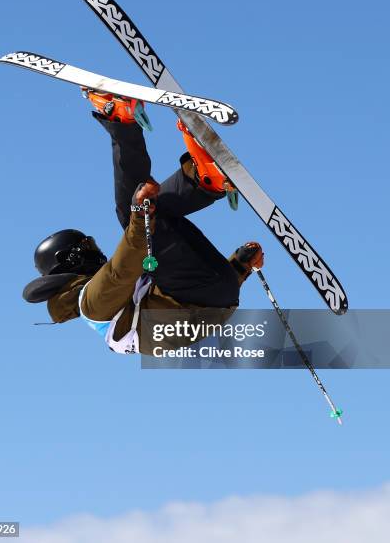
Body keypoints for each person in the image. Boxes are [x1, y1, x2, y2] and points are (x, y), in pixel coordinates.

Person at [23, 93, 264, 355]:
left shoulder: (116, 306)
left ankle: (206, 178)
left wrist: (240, 266)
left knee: (153, 213)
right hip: (197, 299)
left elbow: (188, 289)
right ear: (71, 260)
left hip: (211, 299)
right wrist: (138, 216)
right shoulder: (92, 305)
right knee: (134, 216)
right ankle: (119, 116)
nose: (98, 252)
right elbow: (121, 270)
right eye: (87, 248)